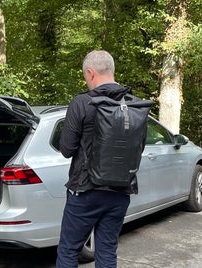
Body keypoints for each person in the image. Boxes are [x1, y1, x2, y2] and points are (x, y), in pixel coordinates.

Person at [56, 50, 138, 267]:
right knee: (107, 251)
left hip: (85, 192)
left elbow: (66, 149)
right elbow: (137, 146)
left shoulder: (82, 102)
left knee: (68, 251)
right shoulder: (134, 104)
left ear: (90, 73)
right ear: (111, 70)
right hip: (120, 191)